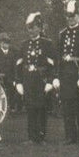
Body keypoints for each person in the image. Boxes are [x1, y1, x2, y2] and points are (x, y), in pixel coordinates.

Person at [15, 12, 55, 143]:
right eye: (29, 28)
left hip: (41, 80)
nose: (31, 31)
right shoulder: (24, 44)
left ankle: (41, 136)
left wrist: (50, 81)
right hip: (28, 80)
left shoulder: (47, 44)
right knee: (30, 109)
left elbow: (52, 65)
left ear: (39, 28)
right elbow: (19, 65)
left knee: (41, 109)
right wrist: (19, 82)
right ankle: (31, 137)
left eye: (33, 28)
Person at [56, 0, 79, 144]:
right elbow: (59, 56)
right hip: (65, 74)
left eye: (72, 16)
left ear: (78, 16)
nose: (70, 19)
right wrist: (57, 76)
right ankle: (70, 136)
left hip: (78, 73)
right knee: (67, 106)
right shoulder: (62, 34)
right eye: (68, 16)